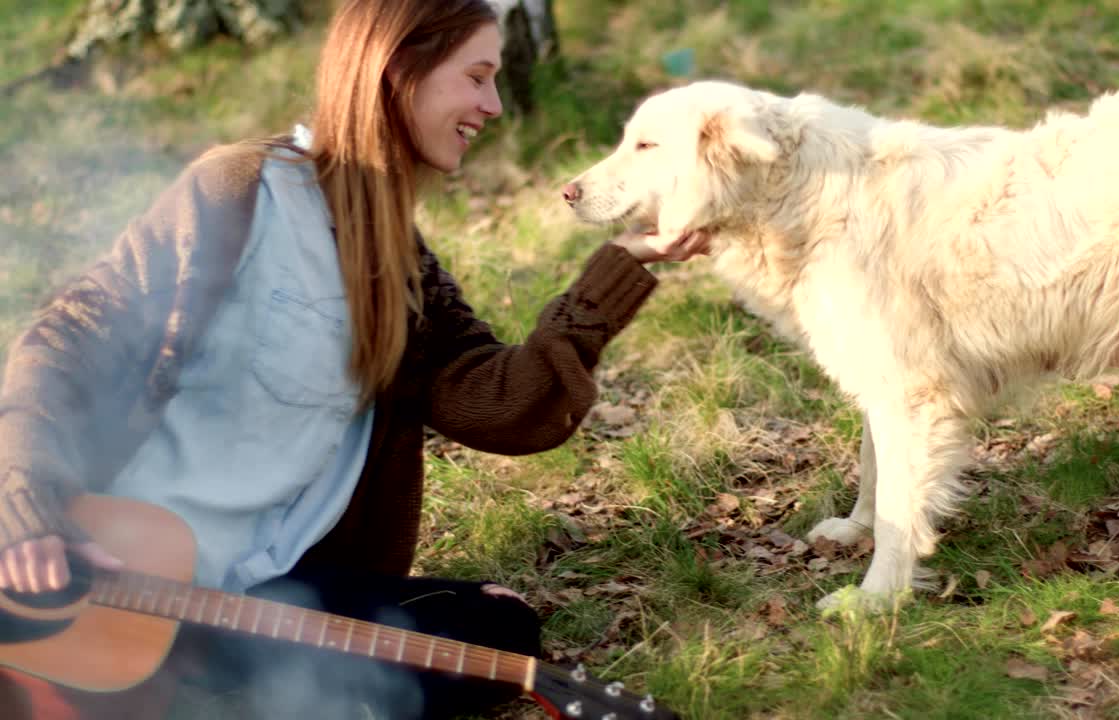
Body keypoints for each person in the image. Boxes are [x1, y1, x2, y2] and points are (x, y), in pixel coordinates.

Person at [0, 0, 708, 717]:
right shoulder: (241, 192)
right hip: (110, 572)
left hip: (258, 603)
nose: (493, 104)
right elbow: (61, 344)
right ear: (399, 71)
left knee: (496, 632)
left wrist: (616, 270)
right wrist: (27, 510)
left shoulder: (404, 270)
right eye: (477, 77)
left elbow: (504, 408)